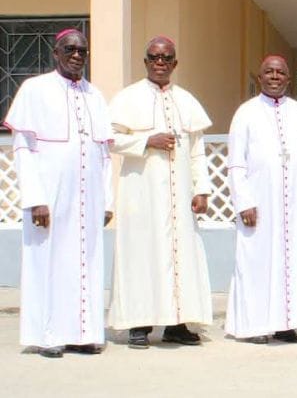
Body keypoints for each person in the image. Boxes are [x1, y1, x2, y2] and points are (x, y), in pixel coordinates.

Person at [4, 28, 113, 358]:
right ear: (56, 53)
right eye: (70, 49)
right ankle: (48, 335)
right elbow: (23, 148)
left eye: (82, 50)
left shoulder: (95, 95)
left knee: (86, 262)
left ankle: (83, 334)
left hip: (88, 196)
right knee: (48, 262)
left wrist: (106, 199)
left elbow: (104, 154)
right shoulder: (35, 89)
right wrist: (35, 198)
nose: (77, 55)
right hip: (50, 195)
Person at [107, 36, 214, 348]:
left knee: (181, 256)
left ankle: (176, 324)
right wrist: (145, 141)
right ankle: (138, 324)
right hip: (140, 194)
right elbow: (109, 138)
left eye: (166, 58)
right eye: (154, 57)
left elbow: (197, 150)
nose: (160, 62)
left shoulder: (187, 100)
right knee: (140, 255)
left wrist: (202, 189)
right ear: (145, 61)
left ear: (175, 63)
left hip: (180, 196)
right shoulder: (127, 98)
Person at [224, 55, 297, 344]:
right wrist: (243, 201)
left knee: (292, 260)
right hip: (258, 201)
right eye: (269, 72)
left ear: (288, 79)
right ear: (260, 78)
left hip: (294, 202)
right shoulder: (245, 112)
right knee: (256, 262)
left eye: (280, 72)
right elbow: (236, 162)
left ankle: (286, 324)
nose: (275, 76)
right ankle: (253, 326)